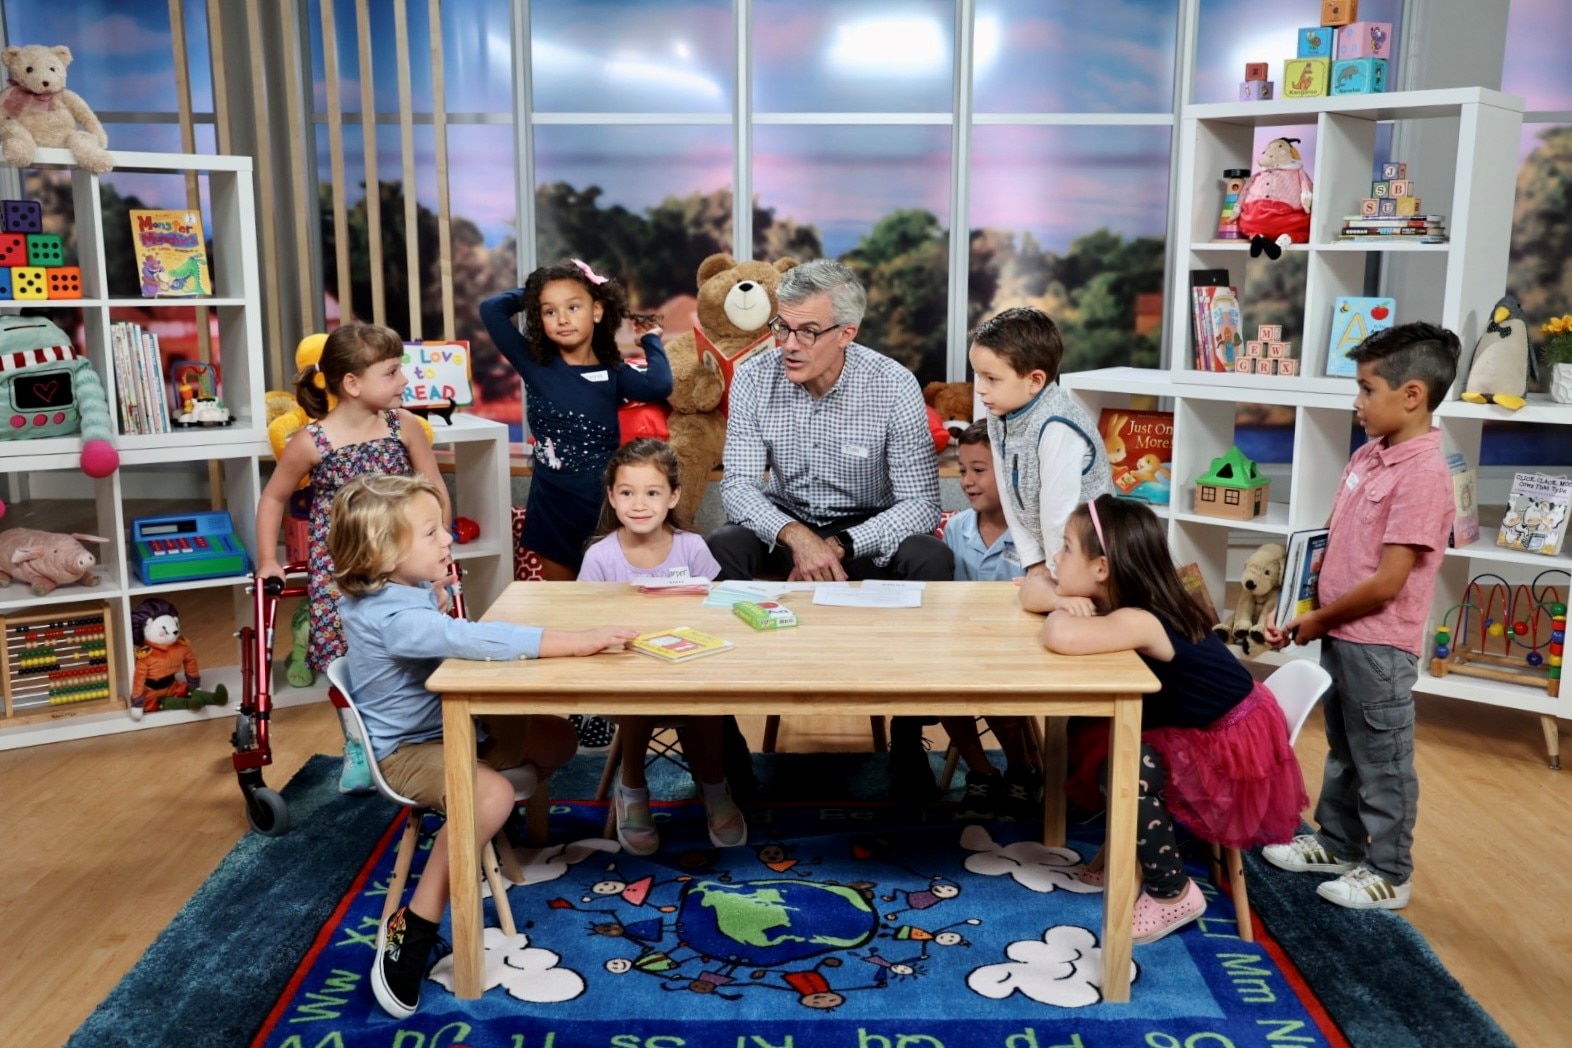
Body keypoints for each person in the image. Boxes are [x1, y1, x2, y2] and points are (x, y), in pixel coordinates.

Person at [329, 472, 636, 1019]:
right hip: (408, 752)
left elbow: (438, 627)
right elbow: (469, 640)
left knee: (555, 735)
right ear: (382, 553)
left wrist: (434, 591)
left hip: (449, 729)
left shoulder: (396, 591)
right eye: (430, 533)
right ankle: (415, 928)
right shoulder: (395, 617)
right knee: (490, 795)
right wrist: (576, 642)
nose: (447, 538)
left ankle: (488, 831)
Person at [707, 258, 952, 801]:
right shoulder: (752, 377)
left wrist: (840, 543)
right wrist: (795, 535)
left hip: (863, 533)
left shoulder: (893, 384)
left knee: (930, 560)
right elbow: (740, 487)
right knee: (721, 545)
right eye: (781, 327)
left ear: (847, 333)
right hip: (786, 524)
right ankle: (723, 749)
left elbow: (920, 504)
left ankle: (909, 742)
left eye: (807, 331)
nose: (788, 344)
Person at [1028, 494, 1307, 945]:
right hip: (1220, 721)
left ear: (1102, 568)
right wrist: (1057, 594)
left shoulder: (1142, 618)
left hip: (1228, 743)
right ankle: (1122, 855)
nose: (1055, 559)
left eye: (1065, 549)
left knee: (1125, 762)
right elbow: (1030, 587)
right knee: (1100, 732)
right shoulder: (1137, 596)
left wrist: (1061, 607)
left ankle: (1170, 890)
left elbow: (1059, 635)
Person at [1262, 322, 1459, 911]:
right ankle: (1340, 842)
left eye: (1367, 388)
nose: (1357, 401)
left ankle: (1390, 871)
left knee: (1385, 760)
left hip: (1377, 642)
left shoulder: (1424, 475)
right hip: (1340, 630)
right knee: (1346, 746)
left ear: (1413, 395)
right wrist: (1304, 610)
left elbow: (1389, 582)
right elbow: (1338, 546)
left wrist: (1321, 619)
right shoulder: (1371, 455)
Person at [255, 322, 449, 794]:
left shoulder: (403, 426)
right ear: (352, 384)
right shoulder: (311, 442)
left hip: (406, 565)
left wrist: (441, 541)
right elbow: (274, 498)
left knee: (416, 647)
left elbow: (433, 484)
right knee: (348, 658)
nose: (403, 380)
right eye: (391, 372)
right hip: (341, 573)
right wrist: (267, 559)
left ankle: (423, 733)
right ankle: (359, 744)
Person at [578, 438, 748, 854]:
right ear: (611, 497)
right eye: (627, 493)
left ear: (672, 496)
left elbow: (715, 609)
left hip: (691, 669)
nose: (640, 504)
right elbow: (581, 622)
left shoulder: (692, 548)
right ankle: (632, 786)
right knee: (641, 694)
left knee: (705, 699)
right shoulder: (600, 557)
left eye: (652, 492)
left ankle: (715, 788)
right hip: (625, 676)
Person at [481, 258, 672, 580]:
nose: (562, 319)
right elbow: (491, 309)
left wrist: (651, 340)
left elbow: (659, 384)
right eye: (549, 311)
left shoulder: (614, 373)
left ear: (597, 311)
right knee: (562, 603)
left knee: (609, 599)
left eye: (573, 307)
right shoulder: (534, 364)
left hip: (604, 508)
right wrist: (537, 289)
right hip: (552, 507)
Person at [936, 421, 1040, 821]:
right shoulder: (958, 528)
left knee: (995, 694)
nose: (967, 481)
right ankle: (982, 771)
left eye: (979, 471)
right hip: (965, 648)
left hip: (1017, 651)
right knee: (942, 691)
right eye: (962, 471)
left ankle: (1021, 770)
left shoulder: (1031, 534)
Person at [970, 306, 1112, 594]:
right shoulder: (1000, 417)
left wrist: (1056, 574)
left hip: (1089, 559)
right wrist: (1034, 563)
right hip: (1056, 559)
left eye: (992, 379)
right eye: (978, 376)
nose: (980, 389)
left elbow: (1059, 513)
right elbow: (1010, 496)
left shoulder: (1057, 425)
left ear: (1035, 380)